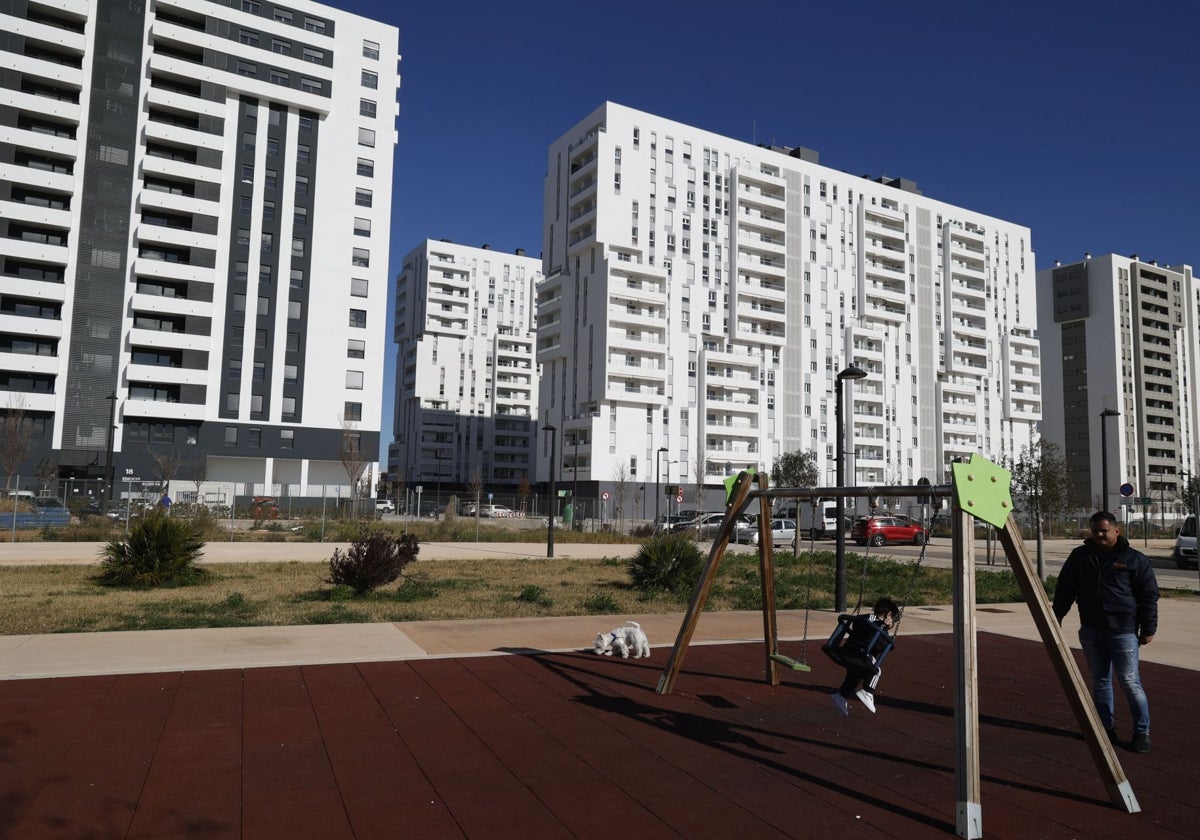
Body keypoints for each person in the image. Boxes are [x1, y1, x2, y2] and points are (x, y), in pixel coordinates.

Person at [1053, 511, 1158, 753]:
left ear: (1116, 530)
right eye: (1094, 531)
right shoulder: (1081, 557)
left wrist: (1148, 628)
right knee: (1100, 681)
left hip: (1123, 630)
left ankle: (1142, 731)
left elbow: (1148, 596)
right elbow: (1066, 587)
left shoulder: (1134, 559)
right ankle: (1105, 728)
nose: (1099, 535)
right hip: (1091, 630)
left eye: (1103, 530)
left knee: (1130, 682)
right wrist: (1057, 615)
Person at [830, 596, 900, 717]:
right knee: (875, 670)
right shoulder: (878, 625)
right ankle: (867, 691)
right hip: (860, 654)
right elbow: (880, 645)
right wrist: (885, 630)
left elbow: (860, 627)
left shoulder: (863, 618)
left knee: (855, 675)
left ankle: (841, 696)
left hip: (847, 652)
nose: (893, 623)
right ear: (889, 615)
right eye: (894, 619)